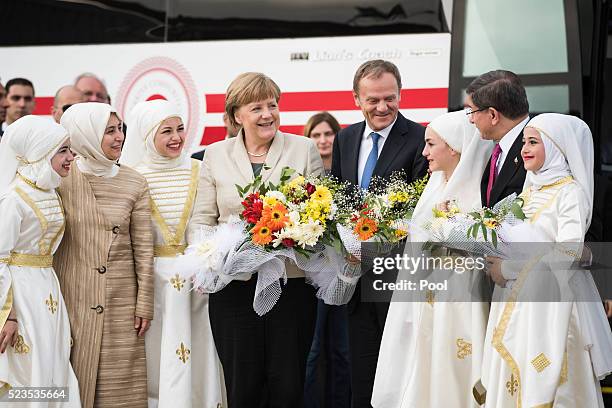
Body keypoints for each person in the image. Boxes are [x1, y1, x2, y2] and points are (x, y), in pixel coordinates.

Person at [188, 72, 324, 408]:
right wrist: (208, 261)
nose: (267, 114)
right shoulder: (214, 156)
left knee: (288, 386)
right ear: (237, 115)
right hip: (233, 289)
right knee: (242, 387)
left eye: (272, 105)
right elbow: (202, 220)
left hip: (290, 290)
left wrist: (295, 231)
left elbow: (321, 215)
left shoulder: (304, 149)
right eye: (257, 107)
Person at [479, 113, 612, 407]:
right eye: (524, 141)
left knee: (553, 380)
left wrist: (508, 269)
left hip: (554, 302)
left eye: (534, 142)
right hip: (517, 299)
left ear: (557, 147)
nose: (524, 148)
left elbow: (568, 252)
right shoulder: (528, 190)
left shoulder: (570, 193)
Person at [372, 110, 492, 408]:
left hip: (461, 295)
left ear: (454, 147)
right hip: (425, 292)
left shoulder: (477, 189)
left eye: (431, 144)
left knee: (455, 364)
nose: (423, 152)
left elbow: (482, 240)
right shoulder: (435, 184)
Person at [330, 59, 428, 408]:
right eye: (373, 100)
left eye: (390, 98)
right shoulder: (345, 138)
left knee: (399, 372)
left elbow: (418, 207)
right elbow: (340, 197)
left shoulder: (420, 138)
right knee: (362, 372)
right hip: (355, 277)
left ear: (400, 95)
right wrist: (350, 247)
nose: (383, 107)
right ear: (356, 98)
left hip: (397, 276)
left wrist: (372, 248)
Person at [121, 99, 225, 408]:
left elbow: (207, 219)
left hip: (197, 279)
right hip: (152, 283)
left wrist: (205, 263)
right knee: (159, 353)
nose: (176, 137)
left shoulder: (199, 168)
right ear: (145, 135)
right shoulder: (130, 175)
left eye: (179, 128)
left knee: (201, 348)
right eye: (165, 131)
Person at [53, 103, 154, 407]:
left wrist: (144, 302)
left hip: (121, 303)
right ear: (84, 135)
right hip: (72, 298)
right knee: (73, 382)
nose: (119, 137)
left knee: (120, 391)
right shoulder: (61, 179)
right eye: (109, 131)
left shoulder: (134, 181)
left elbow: (143, 247)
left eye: (120, 128)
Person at [0, 115, 81, 406]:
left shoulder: (50, 191)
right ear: (40, 153)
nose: (71, 157)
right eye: (63, 150)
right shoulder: (13, 199)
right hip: (20, 298)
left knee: (52, 364)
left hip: (48, 290)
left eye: (70, 149)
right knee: (27, 372)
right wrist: (8, 314)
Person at [303, 111, 350, 408]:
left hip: (347, 274)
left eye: (328, 134)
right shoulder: (303, 178)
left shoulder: (347, 173)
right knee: (313, 348)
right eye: (316, 135)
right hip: (313, 275)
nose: (323, 140)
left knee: (343, 349)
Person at [464, 70, 529, 208]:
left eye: (472, 111)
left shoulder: (537, 149)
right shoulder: (498, 148)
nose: (471, 119)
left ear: (493, 115)